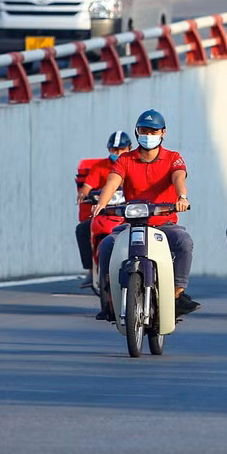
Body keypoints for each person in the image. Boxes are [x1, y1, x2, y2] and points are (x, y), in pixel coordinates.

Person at [91, 109, 198, 318]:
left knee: (184, 242)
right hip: (133, 223)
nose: (148, 135)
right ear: (137, 132)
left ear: (163, 132)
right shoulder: (125, 160)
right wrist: (101, 204)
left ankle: (177, 293)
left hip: (164, 223)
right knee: (106, 245)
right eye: (143, 130)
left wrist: (182, 197)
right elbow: (113, 181)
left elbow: (179, 178)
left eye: (153, 131)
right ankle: (110, 298)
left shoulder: (173, 158)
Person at [74, 131, 132, 288]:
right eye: (114, 150)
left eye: (121, 150)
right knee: (82, 230)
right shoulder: (100, 167)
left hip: (129, 213)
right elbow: (87, 186)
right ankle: (91, 270)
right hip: (104, 213)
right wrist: (83, 194)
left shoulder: (134, 165)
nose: (117, 153)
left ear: (129, 148)